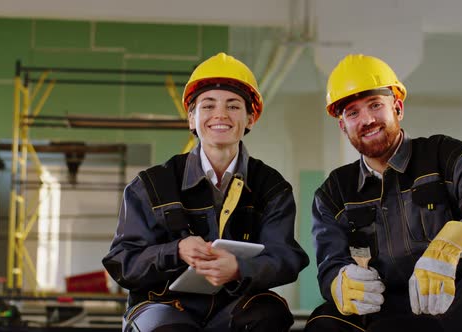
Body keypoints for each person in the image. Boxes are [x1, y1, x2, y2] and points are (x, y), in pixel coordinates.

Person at [304, 54, 462, 332]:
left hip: (461, 304)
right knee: (324, 321)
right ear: (343, 126)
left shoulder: (448, 156)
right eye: (353, 113)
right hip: (389, 315)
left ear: (398, 108)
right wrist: (339, 281)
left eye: (375, 105)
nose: (366, 119)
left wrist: (452, 243)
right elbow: (331, 262)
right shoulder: (333, 192)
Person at [103, 52, 309, 332]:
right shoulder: (151, 185)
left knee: (269, 313)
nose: (220, 115)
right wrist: (174, 251)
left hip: (233, 306)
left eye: (234, 106)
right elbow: (122, 263)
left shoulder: (271, 187)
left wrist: (239, 269)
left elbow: (284, 257)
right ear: (192, 118)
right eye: (208, 105)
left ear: (251, 118)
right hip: (162, 305)